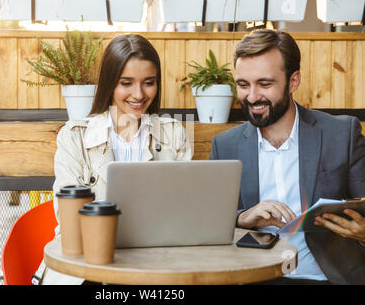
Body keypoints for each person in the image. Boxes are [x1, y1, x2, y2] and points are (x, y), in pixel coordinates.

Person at [34, 33, 192, 285]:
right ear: (110, 84)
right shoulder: (75, 136)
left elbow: (185, 212)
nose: (139, 94)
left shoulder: (173, 134)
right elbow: (70, 222)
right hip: (86, 260)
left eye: (148, 82)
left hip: (155, 260)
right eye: (126, 83)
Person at [209, 29, 365, 285]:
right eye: (243, 85)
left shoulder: (342, 134)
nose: (251, 96)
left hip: (326, 278)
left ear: (293, 81)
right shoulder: (225, 146)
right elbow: (207, 221)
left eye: (265, 84)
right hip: (252, 278)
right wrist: (242, 218)